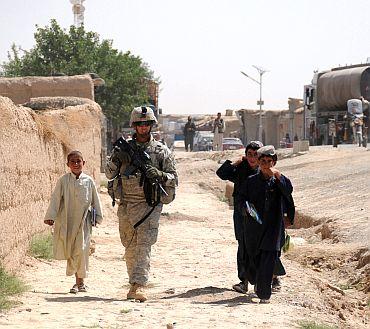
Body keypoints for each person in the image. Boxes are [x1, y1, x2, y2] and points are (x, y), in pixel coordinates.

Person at [105, 106, 178, 302]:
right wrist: (116, 159)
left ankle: (138, 285)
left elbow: (174, 179)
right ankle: (133, 281)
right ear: (134, 126)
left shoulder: (161, 151)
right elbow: (109, 174)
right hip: (126, 204)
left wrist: (160, 174)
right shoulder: (123, 149)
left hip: (150, 205)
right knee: (129, 245)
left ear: (152, 125)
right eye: (139, 124)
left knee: (144, 245)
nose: (143, 127)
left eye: (146, 124)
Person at [239, 145, 293, 303]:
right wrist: (249, 211)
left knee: (268, 260)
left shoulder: (280, 180)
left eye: (269, 161)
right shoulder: (251, 181)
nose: (266, 164)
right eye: (263, 161)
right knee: (254, 261)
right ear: (258, 162)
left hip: (273, 228)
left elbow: (288, 194)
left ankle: (264, 295)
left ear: (274, 162)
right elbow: (241, 200)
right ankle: (257, 283)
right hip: (253, 229)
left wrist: (289, 217)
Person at [44, 150, 103, 294]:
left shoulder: (89, 181)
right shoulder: (63, 181)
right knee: (71, 250)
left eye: (78, 161)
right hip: (67, 221)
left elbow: (95, 200)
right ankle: (79, 282)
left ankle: (79, 282)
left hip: (84, 222)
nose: (76, 164)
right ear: (68, 164)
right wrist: (50, 215)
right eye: (73, 162)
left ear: (83, 163)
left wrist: (98, 216)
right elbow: (56, 198)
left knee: (82, 250)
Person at [216, 141, 263, 294]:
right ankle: (244, 280)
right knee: (243, 245)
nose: (252, 158)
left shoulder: (264, 170)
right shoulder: (240, 169)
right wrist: (235, 162)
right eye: (249, 154)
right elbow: (221, 174)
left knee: (262, 246)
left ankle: (268, 279)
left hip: (259, 214)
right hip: (242, 213)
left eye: (255, 155)